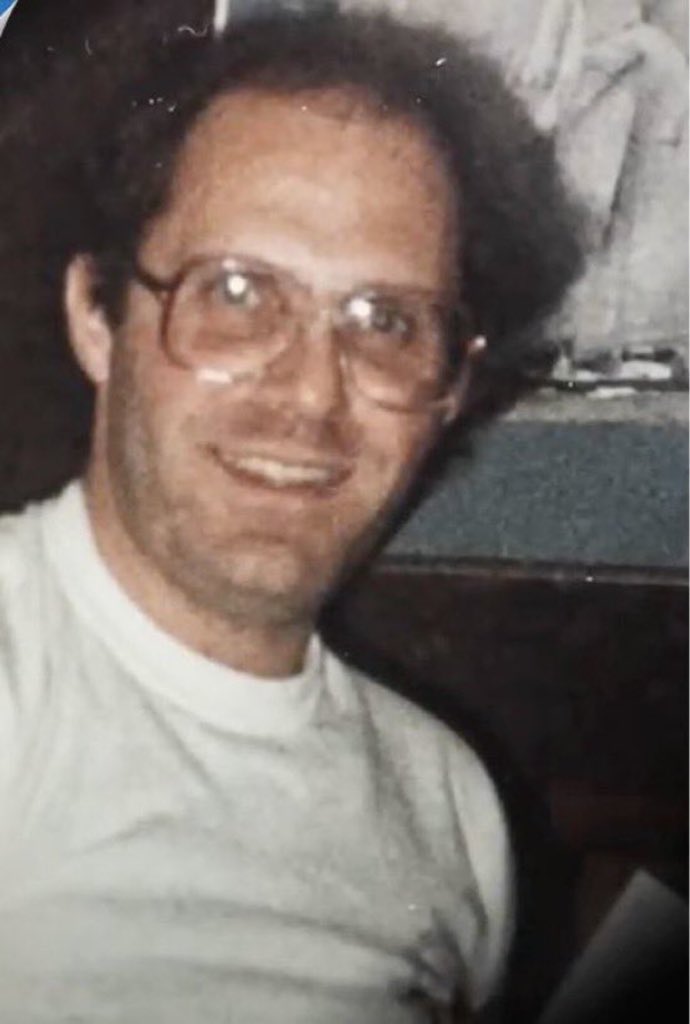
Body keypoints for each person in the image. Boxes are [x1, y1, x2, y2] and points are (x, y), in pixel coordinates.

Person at [0, 4, 583, 1021]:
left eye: (384, 320)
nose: (312, 393)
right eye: (236, 293)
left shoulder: (449, 806)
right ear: (99, 317)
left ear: (450, 387)